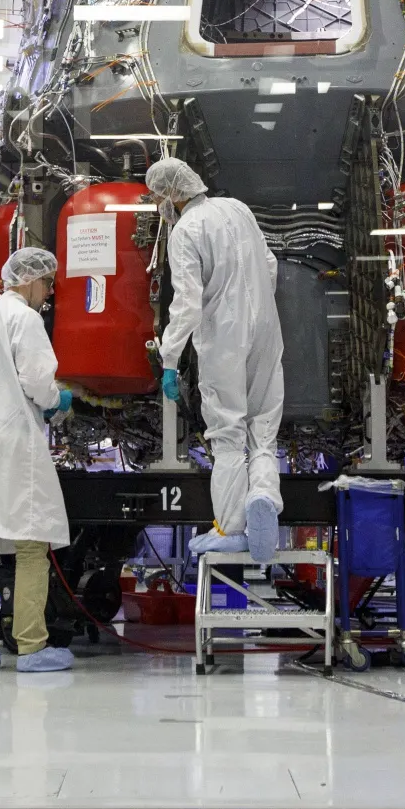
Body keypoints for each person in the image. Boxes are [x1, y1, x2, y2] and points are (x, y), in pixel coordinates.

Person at [148, 156, 286, 564]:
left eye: (157, 196)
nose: (157, 205)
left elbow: (187, 304)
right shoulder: (237, 208)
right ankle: (264, 495)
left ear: (172, 194)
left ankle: (230, 528)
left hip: (224, 338)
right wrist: (254, 307)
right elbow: (270, 265)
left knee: (227, 436)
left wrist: (169, 359)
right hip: (266, 329)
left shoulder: (185, 230)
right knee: (263, 428)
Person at [0, 247, 75, 673]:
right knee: (32, 543)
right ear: (30, 280)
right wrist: (58, 400)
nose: (49, 292)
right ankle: (32, 646)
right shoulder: (25, 318)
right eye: (48, 283)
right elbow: (38, 381)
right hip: (13, 442)